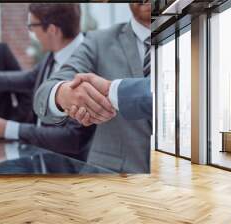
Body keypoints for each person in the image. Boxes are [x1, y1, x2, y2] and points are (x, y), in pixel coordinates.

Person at [0, 3, 95, 161]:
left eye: (32, 26)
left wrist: (8, 129)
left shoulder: (88, 65)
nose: (32, 33)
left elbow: (73, 138)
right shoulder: (55, 53)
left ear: (52, 30)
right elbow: (31, 78)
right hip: (43, 162)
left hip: (72, 169)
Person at [34, 3, 152, 173]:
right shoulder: (99, 41)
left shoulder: (198, 33)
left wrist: (113, 91)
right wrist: (65, 94)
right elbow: (44, 94)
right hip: (110, 179)